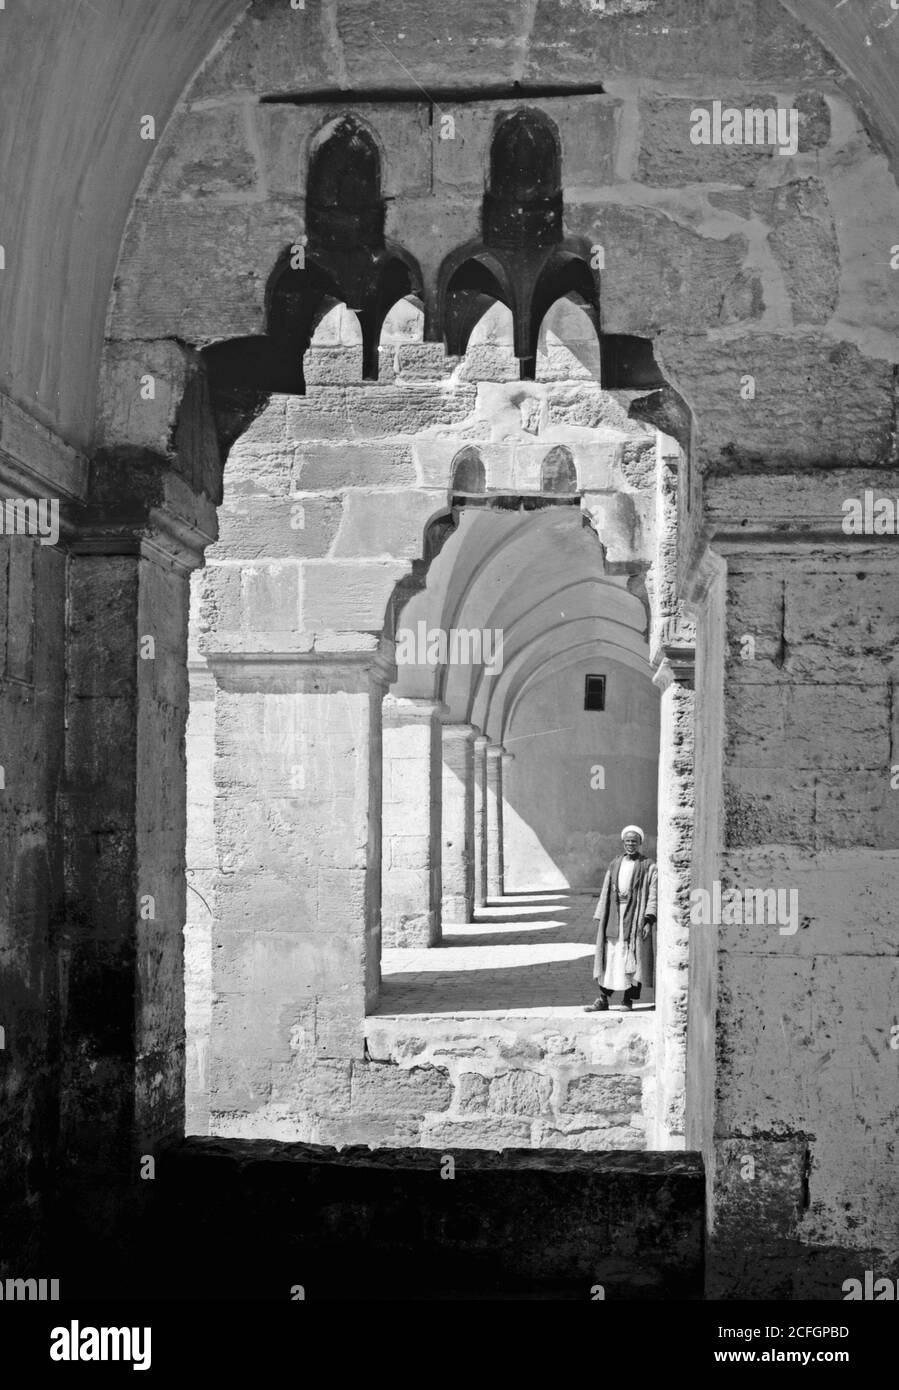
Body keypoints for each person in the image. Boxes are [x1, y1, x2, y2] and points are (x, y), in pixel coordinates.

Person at [584, 824, 657, 1012]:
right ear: (623, 843)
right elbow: (606, 889)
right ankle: (603, 999)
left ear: (640, 843)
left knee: (632, 957)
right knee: (611, 956)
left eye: (634, 841)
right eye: (627, 841)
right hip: (615, 916)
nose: (630, 845)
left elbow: (653, 894)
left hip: (636, 917)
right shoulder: (615, 863)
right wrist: (601, 914)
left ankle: (628, 1000)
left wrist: (649, 919)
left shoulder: (649, 866)